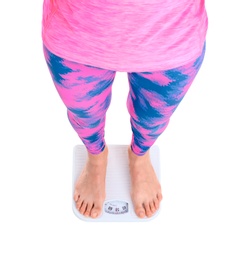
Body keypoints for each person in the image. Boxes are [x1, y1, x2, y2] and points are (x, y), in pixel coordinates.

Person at [42, 0, 208, 219]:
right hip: (76, 32)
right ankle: (96, 157)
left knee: (154, 118)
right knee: (84, 114)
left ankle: (140, 155)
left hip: (172, 36)